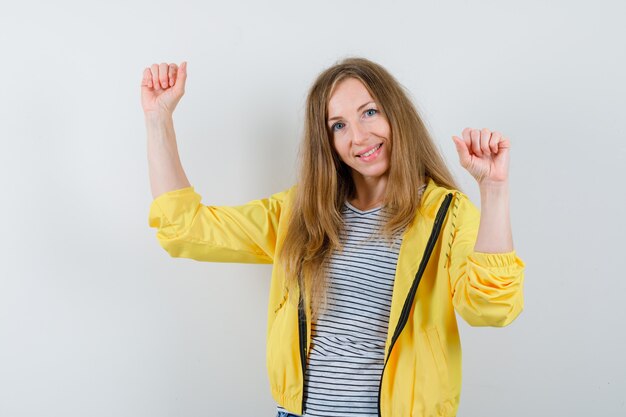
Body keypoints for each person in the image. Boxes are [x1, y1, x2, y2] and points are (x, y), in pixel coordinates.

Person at [141, 57, 525, 417]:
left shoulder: (447, 214)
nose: (358, 137)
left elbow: (489, 308)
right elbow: (184, 229)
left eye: (369, 112)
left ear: (397, 114)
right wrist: (159, 120)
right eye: (338, 125)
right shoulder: (302, 212)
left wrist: (493, 190)